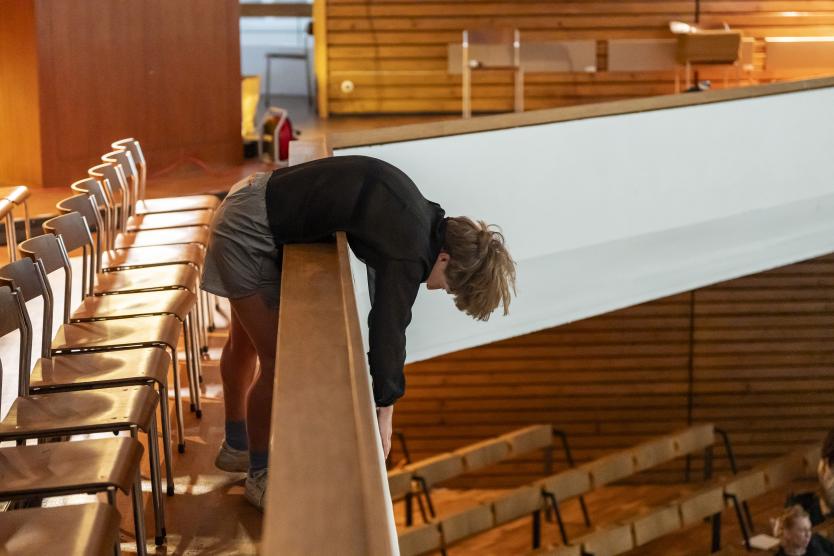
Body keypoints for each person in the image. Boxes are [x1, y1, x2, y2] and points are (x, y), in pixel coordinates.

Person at [201, 155, 516, 509]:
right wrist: (385, 410)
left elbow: (386, 298)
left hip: (250, 199)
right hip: (246, 231)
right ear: (445, 259)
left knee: (244, 342)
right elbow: (389, 328)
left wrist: (385, 400)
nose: (441, 289)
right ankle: (258, 472)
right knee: (279, 363)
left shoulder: (419, 216)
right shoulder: (410, 253)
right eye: (450, 285)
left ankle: (235, 444)